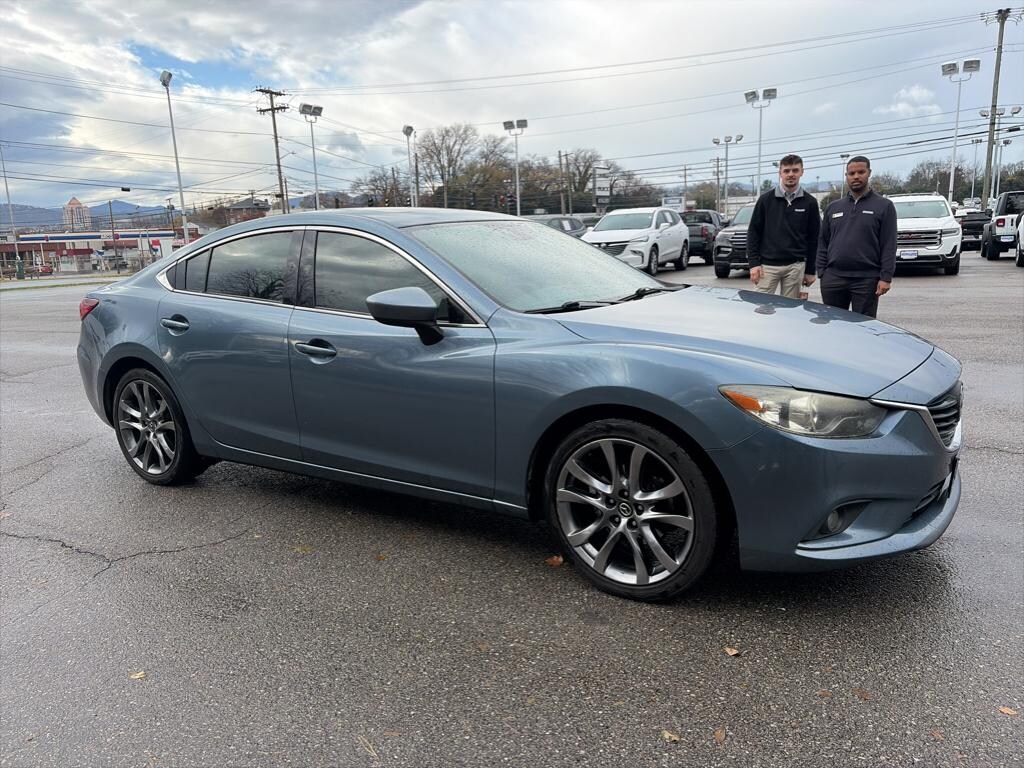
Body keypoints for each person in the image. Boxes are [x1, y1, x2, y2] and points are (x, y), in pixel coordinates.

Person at [816, 155, 896, 318]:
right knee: (834, 326)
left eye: (861, 172)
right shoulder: (833, 207)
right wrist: (822, 272)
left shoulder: (884, 206)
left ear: (869, 173)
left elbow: (889, 244)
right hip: (833, 279)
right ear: (846, 176)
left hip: (866, 280)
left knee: (863, 327)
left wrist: (885, 277)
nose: (856, 177)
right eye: (851, 173)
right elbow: (823, 242)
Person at [746, 154, 821, 299]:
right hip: (767, 266)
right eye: (786, 171)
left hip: (795, 266)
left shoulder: (810, 202)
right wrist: (753, 264)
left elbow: (813, 239)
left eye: (795, 170)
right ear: (780, 173)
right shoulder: (765, 200)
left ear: (801, 172)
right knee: (761, 307)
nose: (791, 174)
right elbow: (754, 233)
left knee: (789, 311)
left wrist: (811, 270)